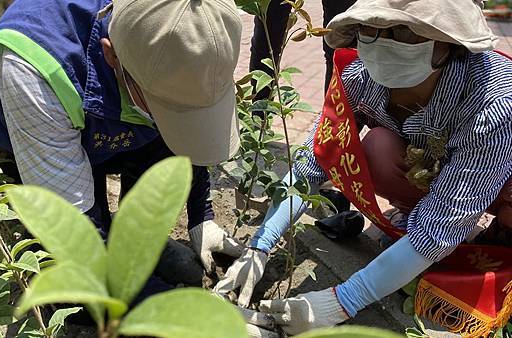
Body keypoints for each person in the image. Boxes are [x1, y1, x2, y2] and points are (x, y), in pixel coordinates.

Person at [215, 0, 512, 334]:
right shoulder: (362, 77)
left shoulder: (493, 104)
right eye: (372, 29)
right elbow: (315, 159)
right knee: (378, 149)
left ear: (447, 43)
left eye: (403, 32)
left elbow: (438, 229)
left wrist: (343, 300)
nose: (383, 42)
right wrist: (260, 245)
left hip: (499, 179)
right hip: (435, 167)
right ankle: (408, 229)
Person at [0, 0, 245, 297]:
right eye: (166, 107)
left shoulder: (190, 25)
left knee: (143, 214)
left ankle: (131, 249)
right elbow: (77, 239)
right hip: (34, 129)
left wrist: (200, 215)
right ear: (112, 54)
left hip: (118, 109)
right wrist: (177, 312)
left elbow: (190, 125)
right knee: (71, 286)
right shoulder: (34, 66)